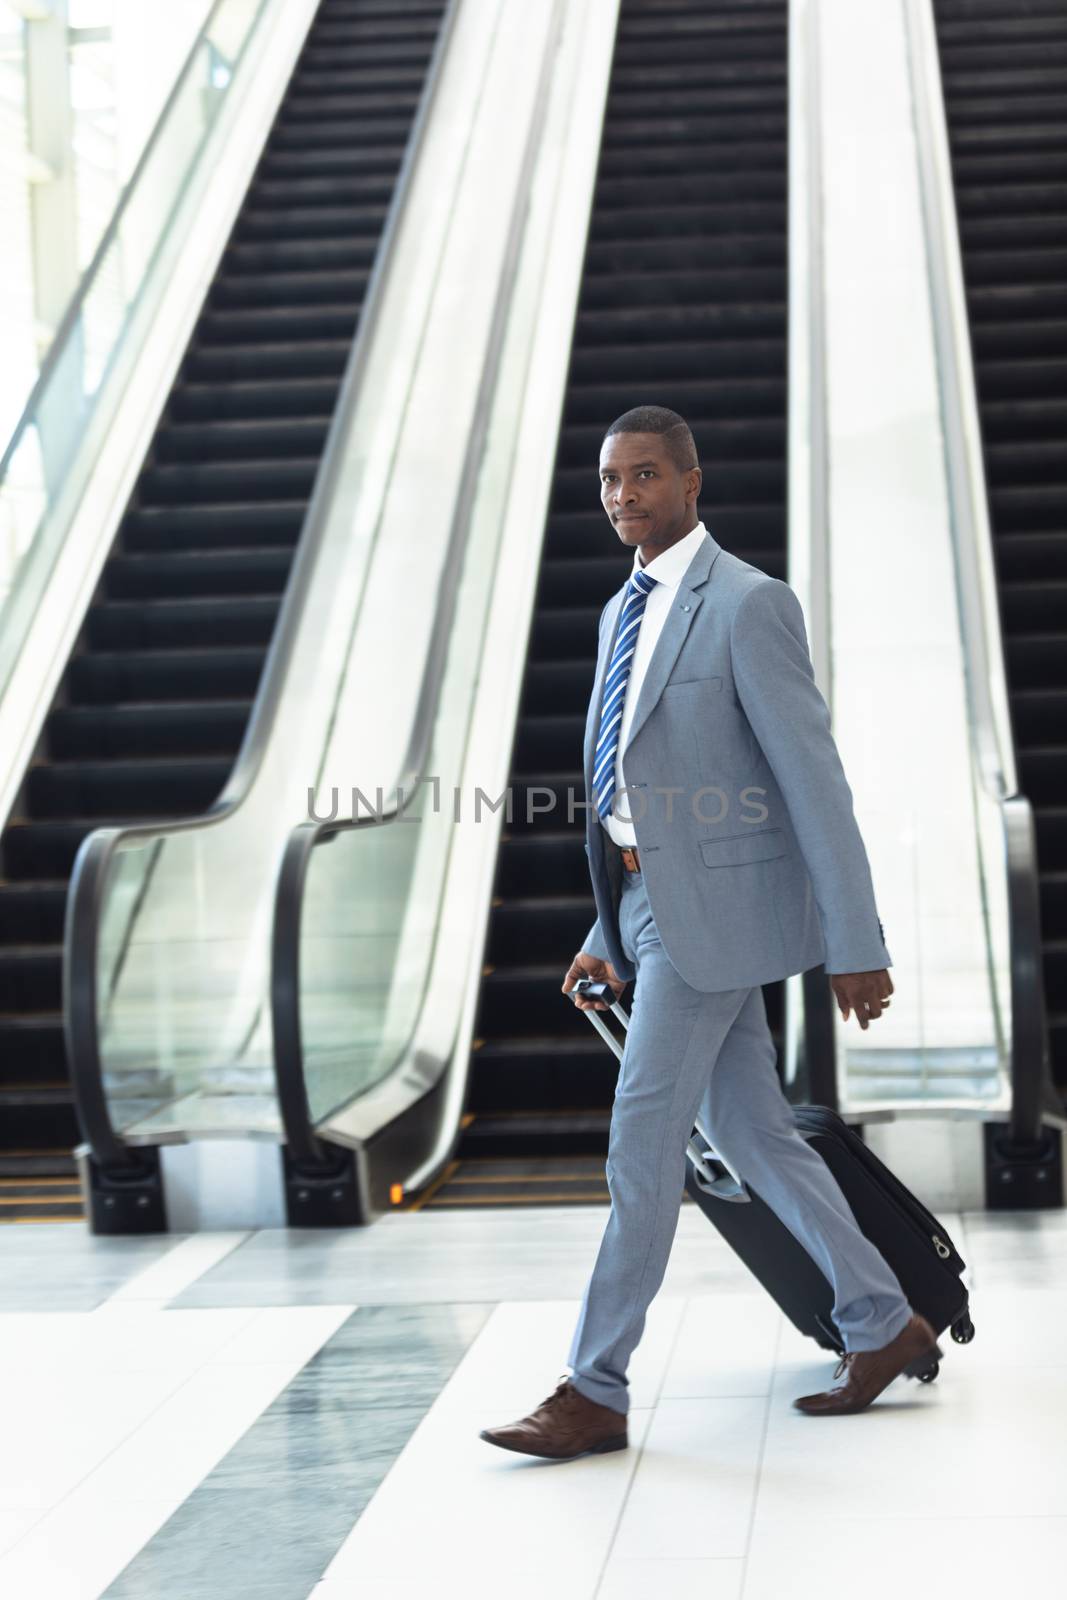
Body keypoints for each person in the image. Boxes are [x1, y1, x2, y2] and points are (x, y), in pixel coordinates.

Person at [480, 404, 936, 1461]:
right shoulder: (616, 612)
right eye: (606, 481)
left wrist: (854, 940)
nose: (621, 497)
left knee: (641, 1149)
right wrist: (608, 923)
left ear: (691, 481)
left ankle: (592, 1386)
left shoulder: (746, 605)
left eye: (642, 476)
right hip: (646, 906)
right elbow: (622, 789)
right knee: (752, 1132)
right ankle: (878, 1321)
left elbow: (811, 780)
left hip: (715, 918)